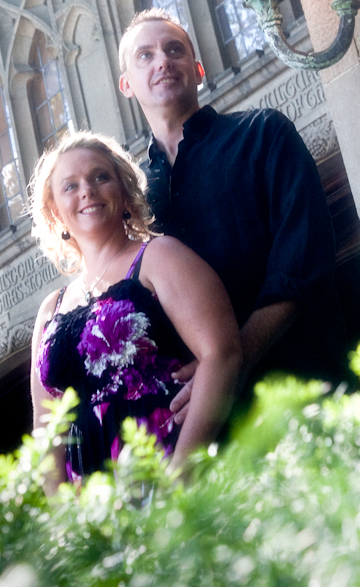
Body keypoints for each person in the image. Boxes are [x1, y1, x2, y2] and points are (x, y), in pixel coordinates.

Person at [118, 8, 348, 420]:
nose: (163, 61)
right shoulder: (128, 198)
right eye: (145, 56)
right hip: (198, 427)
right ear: (126, 85)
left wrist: (230, 363)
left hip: (301, 389)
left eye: (175, 50)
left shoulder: (265, 134)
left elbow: (304, 262)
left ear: (198, 68)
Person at [29, 130, 241, 486]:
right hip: (93, 507)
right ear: (55, 212)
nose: (87, 190)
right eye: (70, 185)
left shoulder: (160, 257)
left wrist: (181, 475)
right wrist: (64, 515)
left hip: (168, 476)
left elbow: (222, 354)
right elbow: (45, 424)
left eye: (100, 177)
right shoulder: (52, 308)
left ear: (124, 192)